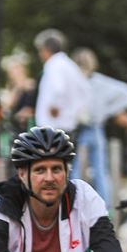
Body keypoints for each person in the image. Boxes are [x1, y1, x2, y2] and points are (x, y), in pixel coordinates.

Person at [72, 47, 127, 207]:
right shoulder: (98, 81)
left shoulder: (81, 83)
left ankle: (82, 205)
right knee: (98, 170)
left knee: (82, 169)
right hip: (93, 129)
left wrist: (106, 112)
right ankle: (104, 207)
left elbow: (125, 93)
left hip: (88, 129)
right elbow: (126, 92)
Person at [33, 29, 92, 177]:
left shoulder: (54, 64)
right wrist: (75, 112)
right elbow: (85, 91)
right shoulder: (70, 65)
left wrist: (55, 106)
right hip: (68, 126)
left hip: (52, 128)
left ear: (46, 49)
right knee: (64, 170)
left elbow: (57, 89)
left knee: (50, 172)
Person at [0, 53, 36, 132]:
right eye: (14, 69)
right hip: (16, 127)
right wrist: (18, 88)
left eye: (18, 68)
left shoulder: (32, 85)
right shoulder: (10, 89)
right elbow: (7, 107)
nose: (17, 71)